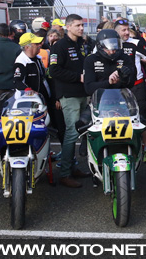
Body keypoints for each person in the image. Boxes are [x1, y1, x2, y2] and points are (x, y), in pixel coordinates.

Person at [48, 14, 92, 188]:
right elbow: (54, 71)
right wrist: (78, 77)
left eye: (82, 25)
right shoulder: (59, 46)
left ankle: (72, 168)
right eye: (78, 25)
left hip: (83, 94)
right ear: (68, 27)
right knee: (72, 133)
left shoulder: (82, 43)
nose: (81, 28)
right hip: (69, 95)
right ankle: (65, 173)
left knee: (81, 132)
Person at [115, 19, 146, 162]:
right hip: (116, 88)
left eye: (127, 29)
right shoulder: (109, 41)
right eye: (123, 30)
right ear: (116, 30)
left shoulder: (137, 42)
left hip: (137, 86)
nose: (126, 32)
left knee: (142, 117)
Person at [83, 29, 135, 95]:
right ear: (100, 46)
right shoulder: (91, 60)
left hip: (121, 98)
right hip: (100, 100)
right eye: (108, 49)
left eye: (114, 48)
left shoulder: (125, 58)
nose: (112, 52)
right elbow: (89, 88)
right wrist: (109, 82)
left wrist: (123, 77)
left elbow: (131, 83)